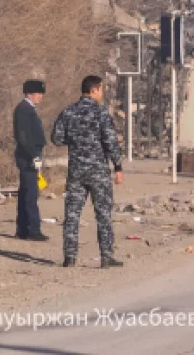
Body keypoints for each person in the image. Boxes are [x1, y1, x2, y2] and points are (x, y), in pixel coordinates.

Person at [51, 75, 124, 268]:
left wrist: (76, 141)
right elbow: (110, 141)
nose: (102, 93)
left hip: (76, 171)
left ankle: (70, 257)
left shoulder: (68, 112)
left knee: (72, 214)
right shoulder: (100, 113)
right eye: (101, 89)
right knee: (103, 214)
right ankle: (106, 256)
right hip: (98, 171)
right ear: (94, 90)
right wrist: (118, 166)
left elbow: (56, 138)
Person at [13, 79, 49, 241]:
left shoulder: (28, 109)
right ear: (29, 93)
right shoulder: (23, 109)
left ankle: (23, 228)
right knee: (30, 194)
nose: (40, 96)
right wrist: (33, 154)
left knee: (26, 192)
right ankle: (33, 229)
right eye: (38, 93)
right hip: (28, 157)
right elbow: (23, 136)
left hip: (31, 155)